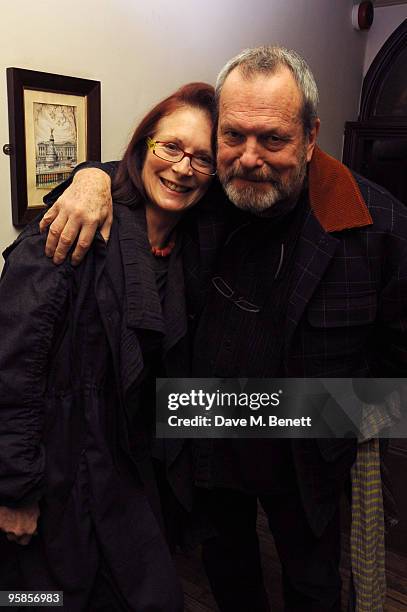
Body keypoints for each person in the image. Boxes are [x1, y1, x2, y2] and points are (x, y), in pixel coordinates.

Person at [39, 46, 407, 611]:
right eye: (232, 137)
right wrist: (90, 177)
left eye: (274, 140)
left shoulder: (379, 228)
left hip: (309, 464)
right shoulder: (211, 194)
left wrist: (295, 418)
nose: (250, 159)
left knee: (313, 585)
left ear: (310, 135)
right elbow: (149, 172)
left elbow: (394, 373)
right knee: (232, 579)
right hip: (208, 457)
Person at [0, 82, 217, 611]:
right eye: (171, 147)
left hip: (125, 477)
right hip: (52, 478)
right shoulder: (70, 230)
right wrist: (13, 491)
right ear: (143, 146)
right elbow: (11, 369)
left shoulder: (192, 250)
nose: (183, 168)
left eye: (203, 158)